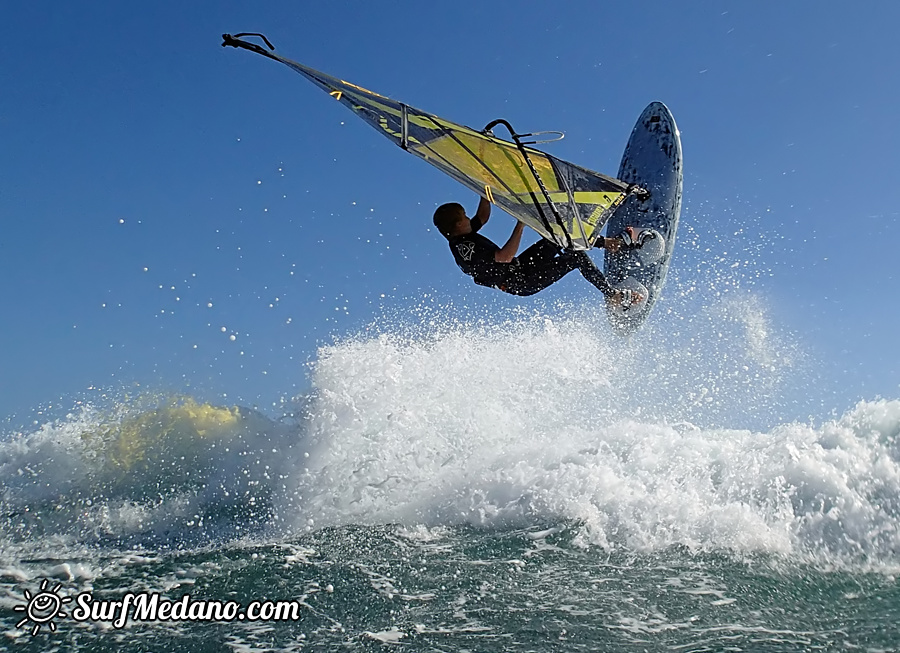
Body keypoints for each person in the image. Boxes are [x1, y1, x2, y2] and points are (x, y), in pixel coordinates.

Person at [433, 196, 643, 307]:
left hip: (519, 268)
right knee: (575, 257)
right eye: (465, 216)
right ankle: (612, 295)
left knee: (556, 237)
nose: (470, 218)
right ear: (459, 224)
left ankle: (609, 244)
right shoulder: (464, 247)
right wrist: (520, 225)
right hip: (521, 282)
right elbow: (503, 258)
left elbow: (482, 217)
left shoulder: (462, 234)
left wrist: (484, 190)